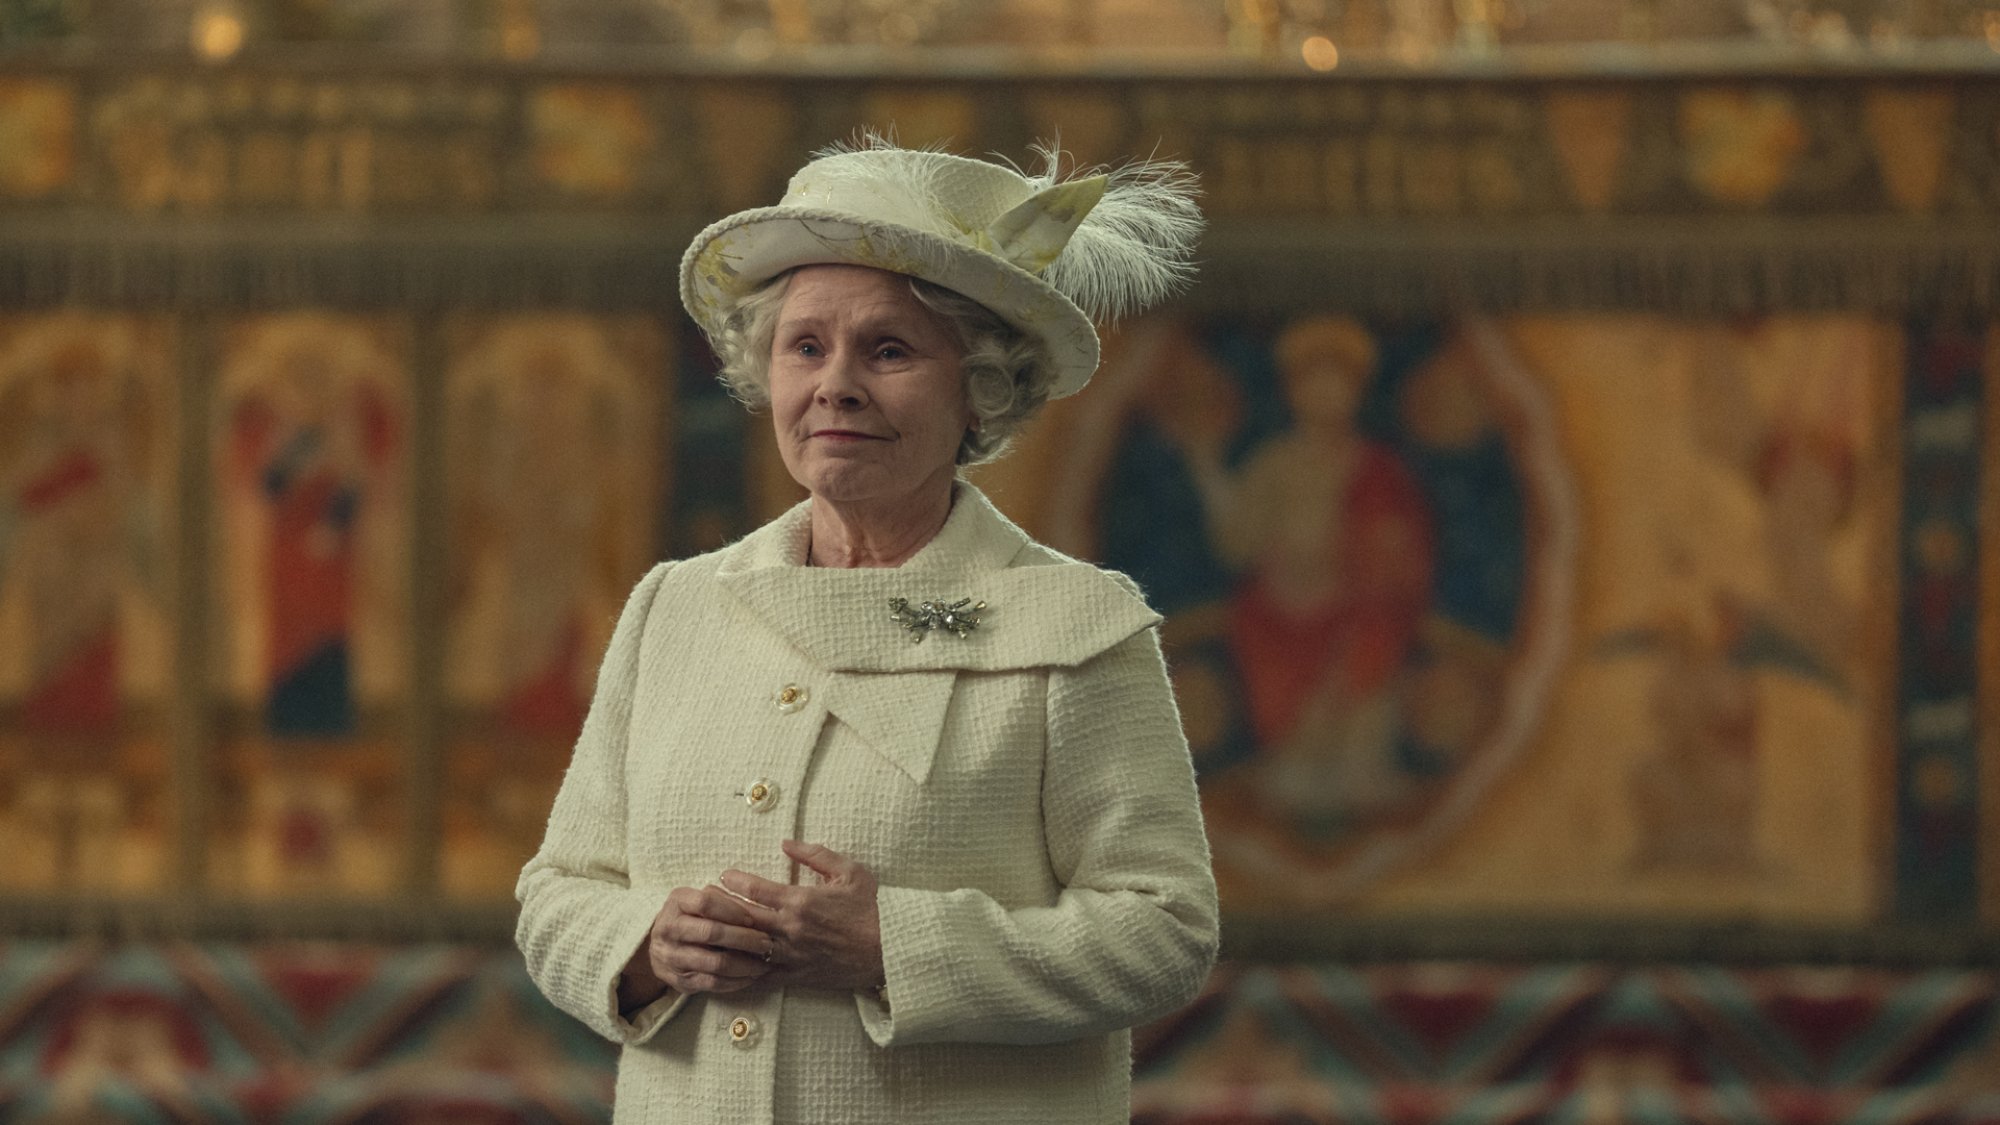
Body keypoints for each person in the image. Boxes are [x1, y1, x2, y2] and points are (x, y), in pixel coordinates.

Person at [515, 136, 1220, 1124]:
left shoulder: (1077, 628)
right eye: (805, 346)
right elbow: (558, 895)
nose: (834, 384)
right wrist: (643, 947)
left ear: (980, 386)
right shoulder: (672, 607)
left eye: (887, 351)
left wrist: (894, 946)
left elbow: (1164, 932)